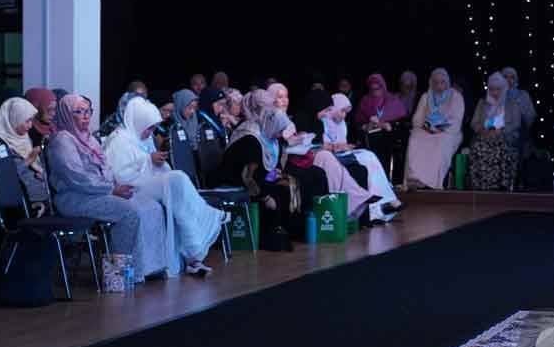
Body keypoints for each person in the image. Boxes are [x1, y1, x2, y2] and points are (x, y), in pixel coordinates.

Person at [104, 97, 227, 277]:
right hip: (133, 187)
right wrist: (148, 160)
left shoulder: (141, 138)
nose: (151, 132)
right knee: (176, 180)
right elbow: (119, 174)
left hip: (148, 182)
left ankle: (193, 251)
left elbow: (153, 165)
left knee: (177, 185)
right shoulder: (119, 140)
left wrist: (155, 162)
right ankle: (205, 220)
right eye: (149, 128)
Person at [47, 95, 167, 279]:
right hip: (74, 198)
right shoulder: (63, 140)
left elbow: (106, 168)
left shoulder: (88, 138)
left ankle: (146, 267)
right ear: (66, 114)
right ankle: (117, 275)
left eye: (88, 111)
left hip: (94, 194)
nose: (86, 116)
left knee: (149, 205)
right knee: (129, 212)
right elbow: (77, 177)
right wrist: (111, 190)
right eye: (79, 112)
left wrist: (116, 185)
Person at [268, 83, 378, 220]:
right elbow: (285, 146)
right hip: (292, 162)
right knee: (326, 159)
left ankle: (351, 203)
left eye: (286, 96)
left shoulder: (317, 121)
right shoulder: (293, 118)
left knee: (357, 165)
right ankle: (353, 200)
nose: (284, 101)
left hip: (308, 156)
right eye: (280, 97)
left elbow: (316, 143)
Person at [218, 107, 298, 250]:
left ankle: (281, 231)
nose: (281, 135)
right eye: (280, 130)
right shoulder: (251, 140)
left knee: (287, 186)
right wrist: (265, 197)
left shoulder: (273, 138)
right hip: (237, 180)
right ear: (273, 125)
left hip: (257, 178)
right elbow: (247, 177)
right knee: (273, 195)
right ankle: (266, 236)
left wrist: (276, 175)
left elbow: (275, 166)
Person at [321, 93, 405, 223]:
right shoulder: (323, 121)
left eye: (346, 112)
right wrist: (339, 147)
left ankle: (381, 206)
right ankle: (388, 200)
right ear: (334, 108)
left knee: (369, 156)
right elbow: (323, 145)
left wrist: (345, 146)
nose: (344, 115)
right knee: (367, 158)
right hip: (331, 158)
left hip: (343, 154)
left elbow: (342, 142)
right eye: (342, 111)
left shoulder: (341, 124)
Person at [406, 68, 465, 190]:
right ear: (431, 83)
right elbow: (416, 119)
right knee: (415, 138)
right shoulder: (426, 96)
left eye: (442, 82)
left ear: (447, 82)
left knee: (442, 141)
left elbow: (456, 120)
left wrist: (440, 128)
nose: (439, 85)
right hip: (427, 130)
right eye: (436, 82)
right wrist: (426, 126)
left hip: (448, 132)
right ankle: (415, 178)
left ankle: (432, 181)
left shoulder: (456, 96)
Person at [0, 97, 51, 209]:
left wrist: (42, 174)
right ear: (15, 119)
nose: (30, 126)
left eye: (31, 121)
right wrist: (28, 160)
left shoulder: (23, 138)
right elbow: (5, 176)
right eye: (27, 121)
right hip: (25, 202)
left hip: (41, 195)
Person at [469, 72, 521, 191]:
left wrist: (501, 131)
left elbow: (516, 124)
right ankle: (482, 185)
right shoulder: (483, 103)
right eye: (492, 89)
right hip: (485, 135)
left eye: (498, 89)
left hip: (505, 136)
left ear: (504, 89)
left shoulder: (512, 104)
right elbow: (474, 122)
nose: (495, 93)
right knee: (479, 147)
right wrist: (482, 129)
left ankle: (499, 186)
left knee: (499, 148)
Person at [354, 74, 408, 178]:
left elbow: (402, 121)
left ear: (383, 87)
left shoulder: (392, 100)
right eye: (372, 89)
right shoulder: (365, 101)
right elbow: (359, 121)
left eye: (378, 88)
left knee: (384, 143)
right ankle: (373, 177)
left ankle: (384, 177)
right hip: (370, 135)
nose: (375, 91)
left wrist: (387, 124)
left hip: (390, 134)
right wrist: (367, 125)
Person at [501, 66, 538, 161]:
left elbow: (531, 115)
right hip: (498, 132)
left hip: (518, 134)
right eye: (505, 77)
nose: (509, 80)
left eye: (512, 77)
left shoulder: (523, 94)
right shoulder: (496, 93)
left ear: (516, 79)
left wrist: (517, 104)